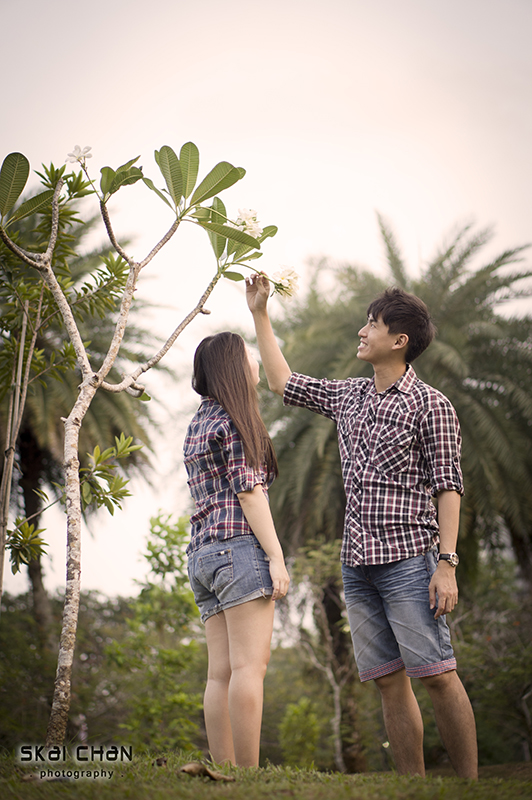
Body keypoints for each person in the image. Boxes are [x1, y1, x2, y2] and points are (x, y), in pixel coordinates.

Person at [246, 274, 477, 778]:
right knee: (389, 682)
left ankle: (470, 786)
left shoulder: (431, 405)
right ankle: (412, 787)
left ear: (400, 340)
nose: (361, 330)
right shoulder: (350, 396)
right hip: (358, 566)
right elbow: (284, 383)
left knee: (437, 674)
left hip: (412, 561)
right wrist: (261, 314)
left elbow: (449, 487)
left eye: (372, 324)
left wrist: (447, 564)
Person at [183, 331, 290, 768]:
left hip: (202, 555)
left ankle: (223, 770)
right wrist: (277, 557)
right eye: (250, 356)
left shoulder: (198, 423)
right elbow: (249, 493)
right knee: (250, 668)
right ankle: (248, 774)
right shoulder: (234, 421)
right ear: (233, 366)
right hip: (239, 550)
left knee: (219, 672)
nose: (256, 363)